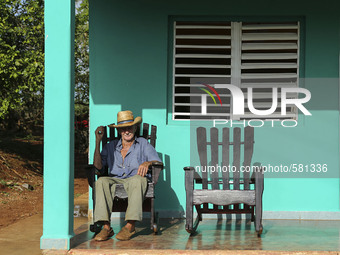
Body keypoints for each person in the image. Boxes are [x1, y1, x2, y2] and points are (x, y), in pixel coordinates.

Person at [92, 110, 162, 241]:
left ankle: (130, 225)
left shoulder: (142, 143)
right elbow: (98, 167)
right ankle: (106, 228)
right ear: (119, 131)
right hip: (115, 179)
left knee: (138, 180)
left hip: (134, 179)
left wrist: (148, 162)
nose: (127, 131)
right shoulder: (110, 146)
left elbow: (158, 161)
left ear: (135, 128)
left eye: (129, 127)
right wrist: (97, 142)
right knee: (101, 182)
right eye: (123, 129)